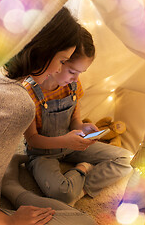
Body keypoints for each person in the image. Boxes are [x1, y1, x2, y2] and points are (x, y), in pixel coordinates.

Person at [0, 7, 96, 225]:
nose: (58, 70)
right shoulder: (17, 105)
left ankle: (10, 185)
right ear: (43, 50)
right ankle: (11, 189)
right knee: (87, 222)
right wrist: (9, 221)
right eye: (62, 60)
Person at [23, 27, 133, 205]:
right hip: (43, 153)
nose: (75, 78)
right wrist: (66, 141)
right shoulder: (29, 92)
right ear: (58, 60)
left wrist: (83, 128)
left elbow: (75, 121)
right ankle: (82, 170)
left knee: (127, 159)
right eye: (72, 72)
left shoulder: (72, 85)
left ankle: (80, 190)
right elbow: (33, 140)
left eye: (80, 73)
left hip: (71, 146)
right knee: (62, 193)